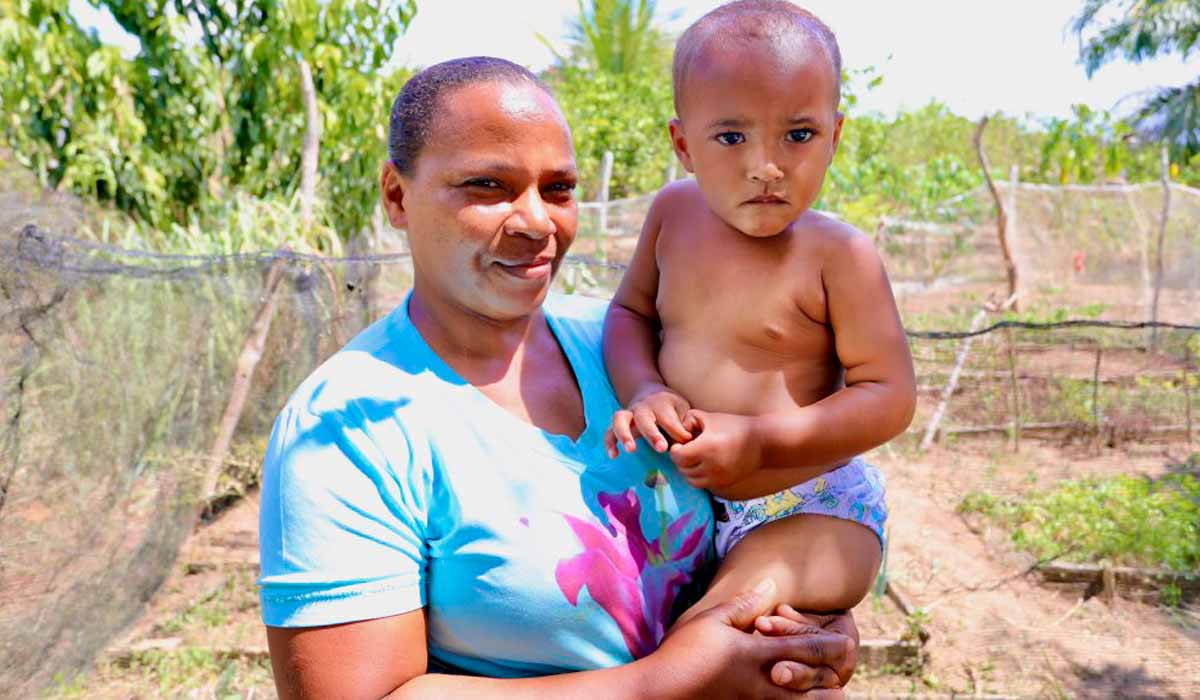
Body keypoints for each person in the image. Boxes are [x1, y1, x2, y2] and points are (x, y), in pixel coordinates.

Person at [258, 56, 861, 699]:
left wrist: (800, 622)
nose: (536, 222)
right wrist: (672, 681)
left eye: (559, 189)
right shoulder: (349, 426)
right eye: (487, 186)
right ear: (397, 196)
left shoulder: (631, 348)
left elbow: (764, 506)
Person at [603, 0, 916, 624]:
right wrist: (645, 387)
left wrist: (759, 441)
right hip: (686, 507)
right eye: (731, 136)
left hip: (811, 509)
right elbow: (630, 314)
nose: (766, 167)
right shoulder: (671, 215)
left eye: (798, 136)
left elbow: (890, 396)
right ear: (683, 144)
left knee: (717, 628)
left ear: (835, 136)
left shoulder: (839, 255)